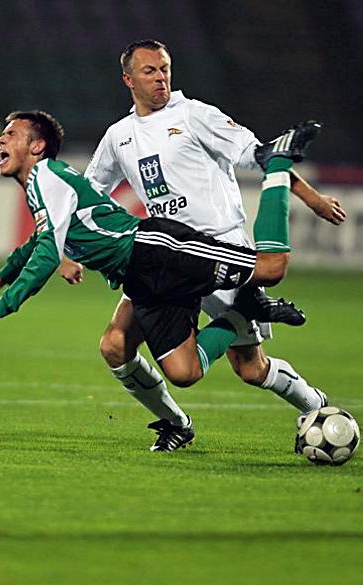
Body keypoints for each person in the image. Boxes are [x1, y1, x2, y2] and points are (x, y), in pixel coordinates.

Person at [0, 112, 320, 452]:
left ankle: (276, 164)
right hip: (140, 278)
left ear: (37, 146)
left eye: (11, 134)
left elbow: (46, 255)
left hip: (157, 251)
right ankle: (235, 325)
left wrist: (4, 304)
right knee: (179, 370)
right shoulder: (40, 184)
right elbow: (37, 242)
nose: (0, 139)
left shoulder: (47, 177)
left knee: (271, 268)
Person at [79, 39, 346, 451]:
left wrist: (312, 198)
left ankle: (316, 405)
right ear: (128, 80)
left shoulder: (195, 115)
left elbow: (263, 156)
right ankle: (176, 423)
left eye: (165, 69)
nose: (161, 78)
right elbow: (89, 191)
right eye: (150, 71)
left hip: (219, 250)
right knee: (116, 344)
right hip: (163, 255)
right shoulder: (119, 136)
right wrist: (72, 250)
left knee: (250, 368)